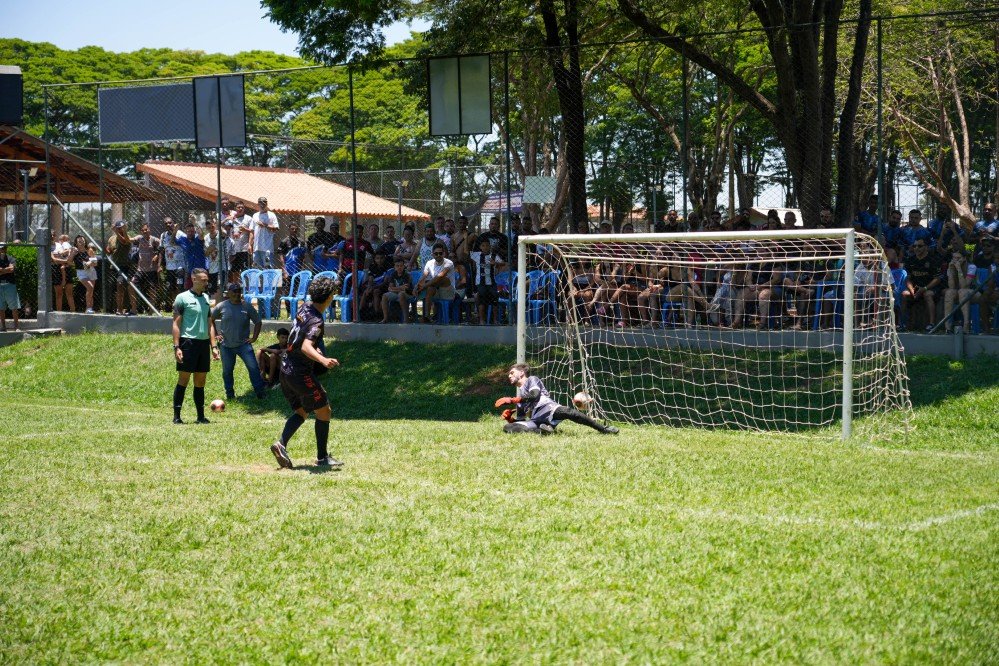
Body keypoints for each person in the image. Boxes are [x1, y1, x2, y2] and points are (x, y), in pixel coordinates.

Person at [270, 275, 343, 470]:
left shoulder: (305, 307)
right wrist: (323, 360)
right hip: (299, 372)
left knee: (301, 411)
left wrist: (316, 350)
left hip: (285, 369)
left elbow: (300, 338)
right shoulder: (317, 320)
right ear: (329, 297)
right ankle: (322, 458)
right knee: (324, 410)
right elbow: (305, 346)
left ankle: (281, 444)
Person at [494, 363, 619, 435]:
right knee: (508, 427)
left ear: (521, 373)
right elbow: (521, 421)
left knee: (568, 412)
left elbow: (534, 395)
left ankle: (603, 429)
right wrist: (510, 419)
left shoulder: (532, 379)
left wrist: (513, 400)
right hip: (536, 420)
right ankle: (544, 430)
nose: (509, 376)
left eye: (512, 373)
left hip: (549, 409)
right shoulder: (520, 398)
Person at [172, 268, 220, 424]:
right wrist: (177, 347)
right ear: (194, 279)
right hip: (188, 342)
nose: (206, 282)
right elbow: (176, 324)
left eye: (207, 280)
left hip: (203, 344)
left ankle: (200, 416)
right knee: (183, 380)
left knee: (200, 381)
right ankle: (177, 417)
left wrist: (214, 347)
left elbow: (209, 324)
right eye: (203, 280)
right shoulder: (182, 298)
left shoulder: (206, 298)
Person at [211, 282, 267, 400]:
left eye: (239, 291)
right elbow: (210, 319)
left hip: (243, 345)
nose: (237, 294)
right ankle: (230, 395)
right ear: (228, 293)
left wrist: (254, 338)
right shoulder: (221, 306)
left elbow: (258, 322)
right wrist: (215, 334)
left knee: (253, 368)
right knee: (227, 371)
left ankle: (260, 393)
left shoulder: (247, 306)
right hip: (226, 345)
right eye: (234, 291)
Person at [415, 242, 455, 323]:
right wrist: (416, 286)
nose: (438, 255)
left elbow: (440, 276)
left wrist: (424, 286)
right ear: (432, 254)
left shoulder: (449, 263)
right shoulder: (429, 263)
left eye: (440, 253)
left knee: (442, 279)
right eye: (436, 253)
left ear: (444, 254)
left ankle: (433, 316)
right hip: (434, 291)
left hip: (447, 292)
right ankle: (427, 316)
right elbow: (423, 276)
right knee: (429, 287)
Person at [107, 220, 138, 315]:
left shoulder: (127, 236)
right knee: (116, 288)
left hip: (124, 266)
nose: (120, 229)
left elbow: (124, 241)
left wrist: (116, 232)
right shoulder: (112, 238)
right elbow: (109, 250)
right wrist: (107, 250)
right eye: (118, 228)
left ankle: (121, 309)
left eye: (121, 228)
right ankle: (118, 308)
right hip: (114, 266)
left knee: (121, 284)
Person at [131, 223, 161, 313]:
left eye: (146, 229)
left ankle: (151, 310)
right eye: (143, 230)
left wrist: (156, 255)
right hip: (140, 269)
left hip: (152, 269)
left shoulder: (154, 240)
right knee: (131, 284)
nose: (145, 231)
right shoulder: (139, 238)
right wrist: (123, 231)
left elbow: (162, 247)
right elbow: (130, 240)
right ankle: (134, 309)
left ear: (149, 230)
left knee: (152, 289)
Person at [379, 256, 414, 323]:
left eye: (401, 266)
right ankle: (385, 318)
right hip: (397, 292)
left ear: (404, 266)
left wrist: (393, 289)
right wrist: (400, 287)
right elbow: (390, 287)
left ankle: (406, 319)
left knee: (401, 294)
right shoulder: (393, 274)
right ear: (394, 267)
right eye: (397, 266)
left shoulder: (407, 275)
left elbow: (406, 288)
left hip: (408, 293)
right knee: (384, 296)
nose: (399, 267)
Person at [160, 217, 185, 308]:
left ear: (173, 223)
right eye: (166, 223)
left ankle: (180, 306)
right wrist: (159, 265)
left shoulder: (181, 234)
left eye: (170, 223)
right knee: (171, 287)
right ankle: (174, 305)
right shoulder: (163, 235)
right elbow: (161, 251)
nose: (168, 225)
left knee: (179, 286)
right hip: (169, 267)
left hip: (180, 266)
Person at [250, 196, 279, 268]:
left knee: (268, 268)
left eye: (264, 203)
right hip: (256, 248)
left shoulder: (271, 215)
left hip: (267, 248)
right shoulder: (255, 215)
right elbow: (252, 231)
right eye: (260, 203)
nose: (262, 204)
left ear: (267, 204)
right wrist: (250, 245)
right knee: (257, 269)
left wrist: (265, 225)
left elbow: (276, 228)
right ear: (258, 204)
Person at [71, 235, 98, 313]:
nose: (81, 242)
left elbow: (95, 263)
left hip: (91, 271)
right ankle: (88, 308)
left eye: (82, 241)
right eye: (79, 241)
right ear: (76, 243)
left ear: (85, 241)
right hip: (81, 272)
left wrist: (89, 263)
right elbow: (69, 261)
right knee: (90, 287)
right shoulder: (74, 251)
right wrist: (72, 254)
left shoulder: (89, 250)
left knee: (91, 290)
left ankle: (90, 309)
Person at [228, 203, 253, 283]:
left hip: (244, 249)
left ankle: (247, 287)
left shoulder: (248, 218)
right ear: (235, 208)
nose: (240, 209)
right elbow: (226, 229)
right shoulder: (232, 218)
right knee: (235, 270)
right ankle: (236, 287)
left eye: (242, 207)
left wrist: (250, 245)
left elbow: (252, 232)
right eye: (238, 207)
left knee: (245, 270)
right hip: (234, 249)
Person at [51, 233, 74, 312]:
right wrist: (67, 261)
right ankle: (59, 313)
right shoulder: (47, 247)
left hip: (66, 268)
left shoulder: (60, 244)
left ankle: (73, 312)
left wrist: (62, 257)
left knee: (69, 293)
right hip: (56, 269)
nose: (52, 236)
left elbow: (67, 251)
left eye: (54, 235)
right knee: (59, 294)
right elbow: (54, 259)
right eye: (50, 235)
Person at [0, 243, 21, 332]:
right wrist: (7, 269)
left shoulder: (11, 258)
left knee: (14, 307)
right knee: (1, 308)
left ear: (6, 249)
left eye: (3, 248)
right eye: (1, 248)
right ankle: (3, 327)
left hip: (10, 285)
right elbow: (9, 269)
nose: (2, 250)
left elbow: (12, 269)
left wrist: (2, 270)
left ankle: (16, 327)